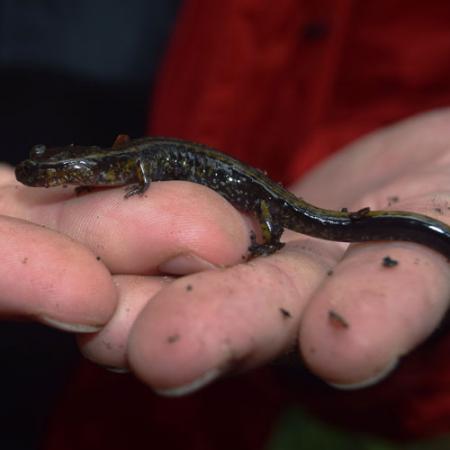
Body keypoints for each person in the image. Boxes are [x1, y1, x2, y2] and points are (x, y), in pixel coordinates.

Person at [3, 0, 450, 448]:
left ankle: (276, 243)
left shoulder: (116, 165)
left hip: (267, 192)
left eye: (49, 173)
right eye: (46, 172)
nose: (45, 176)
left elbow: (141, 171)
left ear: (75, 170)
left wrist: (264, 240)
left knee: (269, 217)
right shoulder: (101, 167)